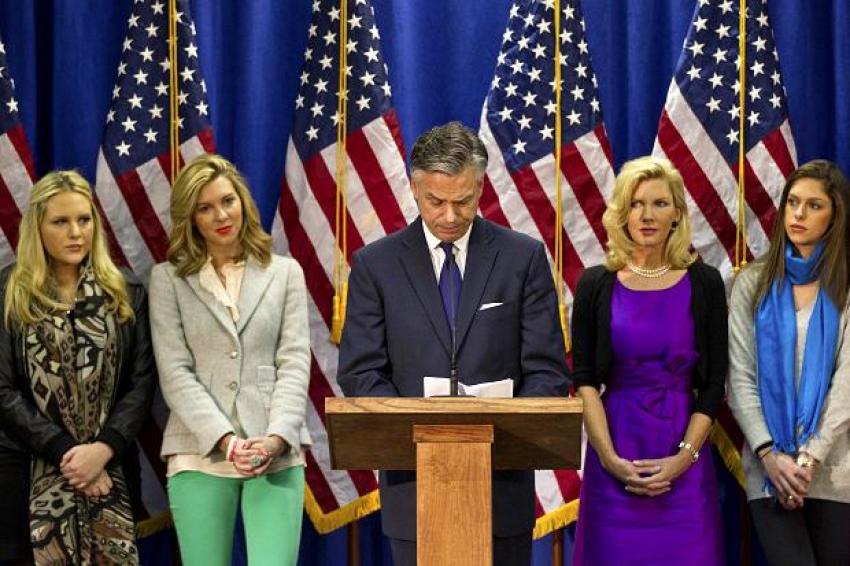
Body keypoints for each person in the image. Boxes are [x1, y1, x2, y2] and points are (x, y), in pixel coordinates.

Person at [337, 121, 570, 566]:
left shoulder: (522, 258)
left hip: (500, 486)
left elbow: (547, 370)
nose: (448, 216)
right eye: (435, 201)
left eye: (462, 202)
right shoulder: (375, 266)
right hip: (415, 489)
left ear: (481, 186)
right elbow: (361, 371)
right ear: (414, 188)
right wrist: (422, 431)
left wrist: (501, 430)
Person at [149, 154, 311, 565]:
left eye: (227, 200)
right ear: (191, 218)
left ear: (243, 201)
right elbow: (175, 373)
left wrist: (275, 438)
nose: (221, 215)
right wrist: (227, 440)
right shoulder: (167, 279)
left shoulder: (285, 272)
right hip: (199, 451)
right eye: (205, 208)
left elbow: (293, 363)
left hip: (273, 451)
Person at [571, 156, 726, 565]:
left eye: (659, 203)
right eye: (636, 204)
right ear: (621, 213)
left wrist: (682, 459)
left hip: (685, 460)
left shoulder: (705, 282)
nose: (647, 215)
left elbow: (713, 386)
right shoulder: (595, 284)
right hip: (615, 453)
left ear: (677, 213)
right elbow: (584, 378)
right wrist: (608, 458)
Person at [0, 170, 155, 564]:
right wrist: (67, 452)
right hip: (24, 470)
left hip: (111, 464)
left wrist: (102, 450)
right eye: (61, 222)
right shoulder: (8, 292)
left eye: (84, 220)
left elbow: (141, 383)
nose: (75, 233)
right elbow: (2, 390)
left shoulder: (126, 291)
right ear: (37, 227)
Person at [728, 160, 850, 566]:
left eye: (814, 206)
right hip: (768, 471)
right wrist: (769, 456)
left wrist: (808, 459)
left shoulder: (845, 285)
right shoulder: (753, 282)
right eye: (792, 202)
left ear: (835, 216)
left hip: (834, 472)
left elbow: (846, 383)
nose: (798, 214)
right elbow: (740, 378)